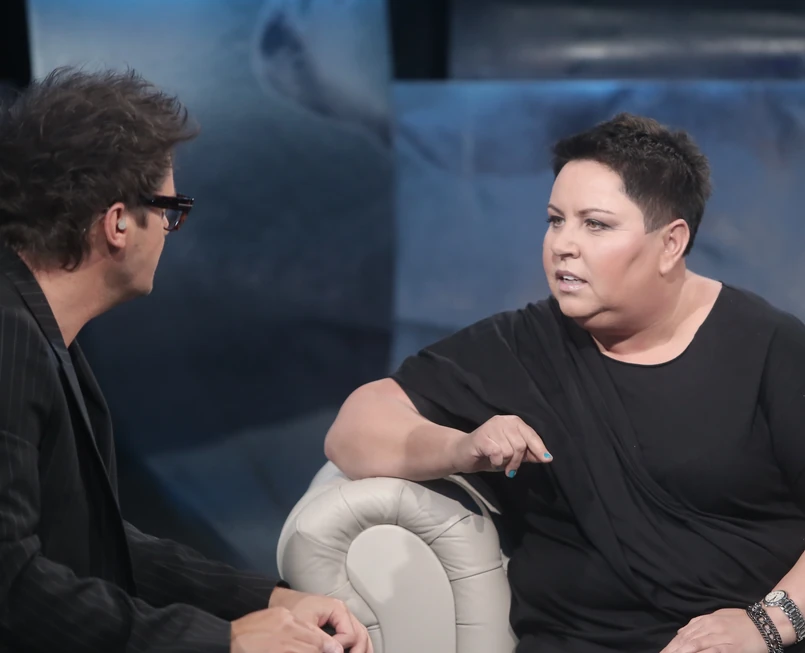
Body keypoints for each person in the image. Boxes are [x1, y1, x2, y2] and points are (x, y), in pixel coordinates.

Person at [325, 112, 805, 653]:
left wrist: (767, 624)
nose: (562, 245)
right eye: (556, 220)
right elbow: (353, 429)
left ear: (671, 243)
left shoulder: (771, 348)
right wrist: (461, 447)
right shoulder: (520, 346)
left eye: (595, 225)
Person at [0, 67, 371, 653]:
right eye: (170, 211)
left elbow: (93, 540)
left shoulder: (35, 329)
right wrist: (224, 640)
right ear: (118, 223)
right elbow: (13, 589)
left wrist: (267, 600)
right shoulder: (10, 340)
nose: (170, 232)